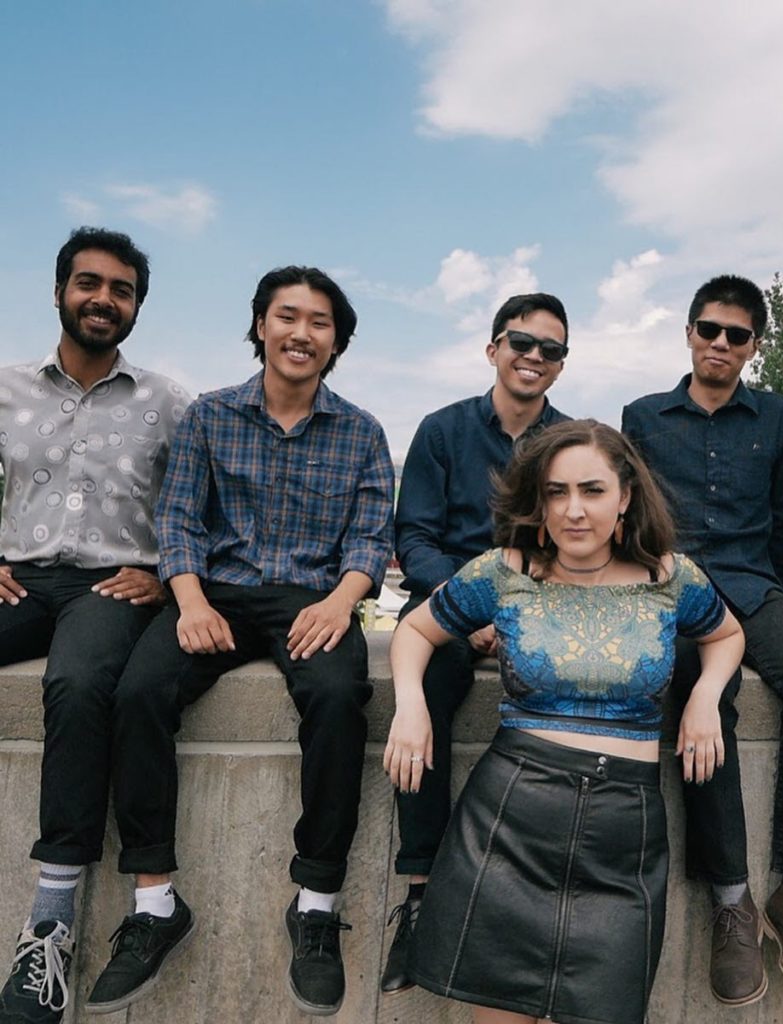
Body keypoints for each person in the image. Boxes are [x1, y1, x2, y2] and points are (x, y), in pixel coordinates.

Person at [82, 266, 394, 1017]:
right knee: (139, 691)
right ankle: (155, 902)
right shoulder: (211, 416)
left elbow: (372, 534)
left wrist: (342, 600)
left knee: (337, 697)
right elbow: (181, 518)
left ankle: (316, 903)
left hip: (312, 597)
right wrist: (187, 601)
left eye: (319, 322)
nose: (301, 333)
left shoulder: (361, 430)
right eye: (287, 316)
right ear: (260, 326)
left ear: (336, 343)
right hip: (215, 594)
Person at [385, 419, 745, 1024]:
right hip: (510, 825)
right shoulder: (506, 571)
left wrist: (707, 696)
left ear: (625, 496)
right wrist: (411, 705)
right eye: (557, 492)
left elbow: (727, 633)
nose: (574, 510)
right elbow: (416, 629)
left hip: (622, 836)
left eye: (592, 490)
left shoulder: (670, 576)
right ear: (539, 502)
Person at [622, 274, 783, 1004]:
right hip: (676, 591)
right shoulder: (644, 416)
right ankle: (731, 900)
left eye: (737, 335)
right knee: (699, 700)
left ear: (754, 345)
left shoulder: (779, 416)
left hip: (754, 585)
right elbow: (632, 520)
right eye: (709, 330)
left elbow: (782, 520)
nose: (720, 344)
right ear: (689, 333)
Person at [0, 227, 191, 1024]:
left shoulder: (170, 402)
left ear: (137, 307)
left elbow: (197, 504)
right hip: (18, 577)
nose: (103, 299)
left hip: (111, 584)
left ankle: (51, 925)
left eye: (121, 290)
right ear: (57, 292)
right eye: (89, 284)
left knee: (78, 686)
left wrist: (164, 574)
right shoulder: (6, 389)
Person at [381, 293, 570, 994]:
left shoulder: (571, 441)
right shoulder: (442, 430)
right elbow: (415, 538)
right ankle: (423, 888)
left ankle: (538, 894)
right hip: (446, 601)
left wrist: (516, 612)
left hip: (537, 609)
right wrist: (470, 608)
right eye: (521, 341)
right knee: (428, 687)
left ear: (560, 365)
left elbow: (581, 545)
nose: (534, 356)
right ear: (493, 349)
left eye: (551, 348)